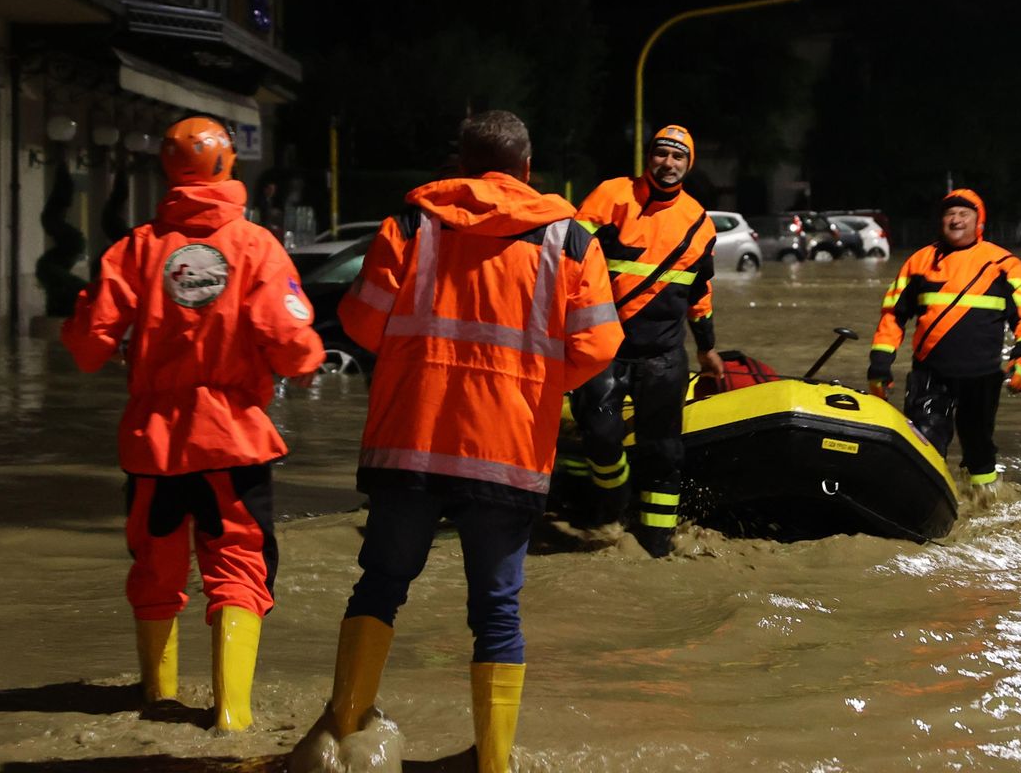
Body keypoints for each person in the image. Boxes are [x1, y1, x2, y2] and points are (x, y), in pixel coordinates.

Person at [288, 110, 623, 773]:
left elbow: (360, 322)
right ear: (528, 169)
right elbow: (597, 347)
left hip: (411, 442)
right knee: (497, 609)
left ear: (462, 163)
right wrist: (533, 386)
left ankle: (343, 730)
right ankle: (493, 761)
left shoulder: (410, 225)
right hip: (508, 451)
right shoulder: (572, 241)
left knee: (380, 585)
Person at [61, 116, 325, 732]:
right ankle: (232, 716)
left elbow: (87, 345)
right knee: (239, 569)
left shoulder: (136, 248)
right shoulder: (256, 246)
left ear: (167, 169)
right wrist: (307, 361)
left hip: (153, 446)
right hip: (234, 442)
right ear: (227, 165)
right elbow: (292, 343)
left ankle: (156, 701)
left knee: (155, 568)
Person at [570, 124, 724, 558]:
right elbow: (569, 260)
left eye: (678, 156)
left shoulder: (699, 222)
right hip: (605, 345)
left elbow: (700, 293)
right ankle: (614, 502)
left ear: (689, 164)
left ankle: (657, 548)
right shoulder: (611, 196)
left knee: (663, 452)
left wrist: (707, 347)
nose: (668, 163)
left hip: (663, 354)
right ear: (648, 157)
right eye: (661, 153)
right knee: (599, 432)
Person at [867, 188, 1021, 504]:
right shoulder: (919, 262)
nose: (956, 219)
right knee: (924, 442)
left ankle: (984, 505)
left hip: (982, 376)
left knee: (979, 449)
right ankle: (923, 505)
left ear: (979, 221)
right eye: (949, 214)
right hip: (930, 374)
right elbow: (892, 315)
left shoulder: (1004, 264)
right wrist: (880, 365)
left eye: (963, 214)